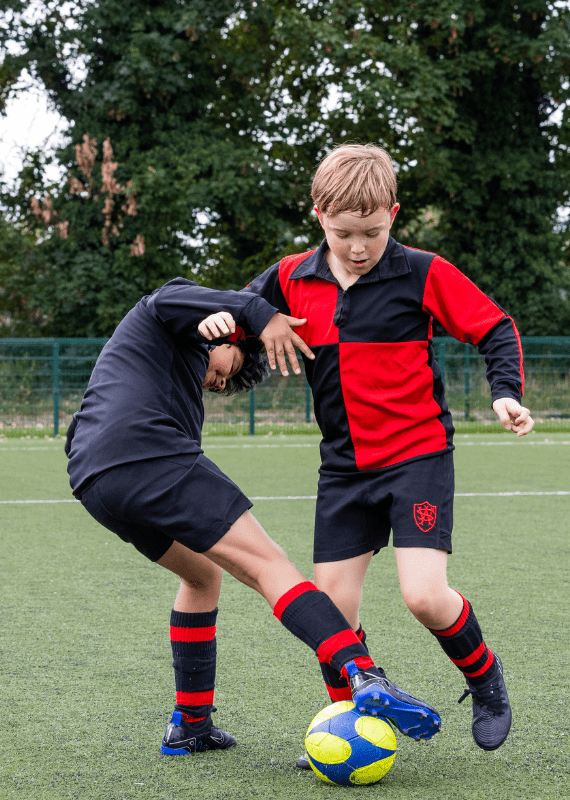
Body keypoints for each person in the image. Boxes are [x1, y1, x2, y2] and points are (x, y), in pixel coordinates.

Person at [65, 277, 442, 758]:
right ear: (227, 339)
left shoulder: (168, 366)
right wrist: (256, 318)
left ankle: (191, 725)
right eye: (230, 368)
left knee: (202, 575)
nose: (220, 382)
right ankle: (364, 673)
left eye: (226, 383)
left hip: (93, 480)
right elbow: (176, 301)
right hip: (146, 453)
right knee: (270, 564)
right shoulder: (163, 313)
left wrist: (221, 328)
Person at [243, 143, 534, 761]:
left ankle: (484, 678)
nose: (358, 247)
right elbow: (239, 310)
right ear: (319, 215)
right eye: (344, 233)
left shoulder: (423, 272)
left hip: (417, 456)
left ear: (393, 215)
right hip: (343, 468)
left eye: (372, 233)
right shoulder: (291, 276)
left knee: (424, 596)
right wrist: (243, 319)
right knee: (332, 615)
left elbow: (494, 327)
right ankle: (355, 715)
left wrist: (505, 392)